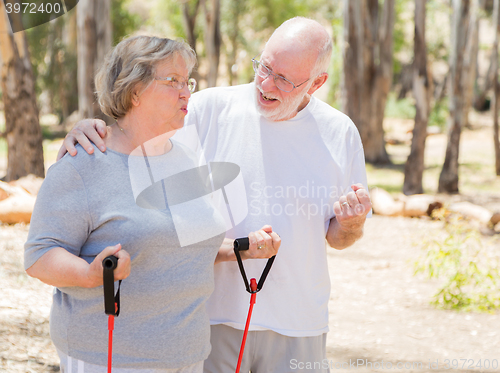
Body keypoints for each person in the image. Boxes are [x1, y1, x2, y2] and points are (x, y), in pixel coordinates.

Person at [59, 17, 372, 373]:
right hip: (208, 315)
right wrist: (91, 128)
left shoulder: (340, 133)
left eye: (284, 79)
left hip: (299, 322)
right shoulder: (207, 108)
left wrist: (352, 223)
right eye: (265, 66)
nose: (266, 84)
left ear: (317, 83)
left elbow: (340, 238)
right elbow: (134, 146)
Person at [25, 35, 280, 373]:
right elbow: (39, 254)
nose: (187, 92)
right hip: (108, 357)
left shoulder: (186, 159)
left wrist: (242, 248)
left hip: (187, 355)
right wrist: (90, 275)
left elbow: (180, 242)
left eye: (187, 81)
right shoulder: (83, 163)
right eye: (172, 81)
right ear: (134, 91)